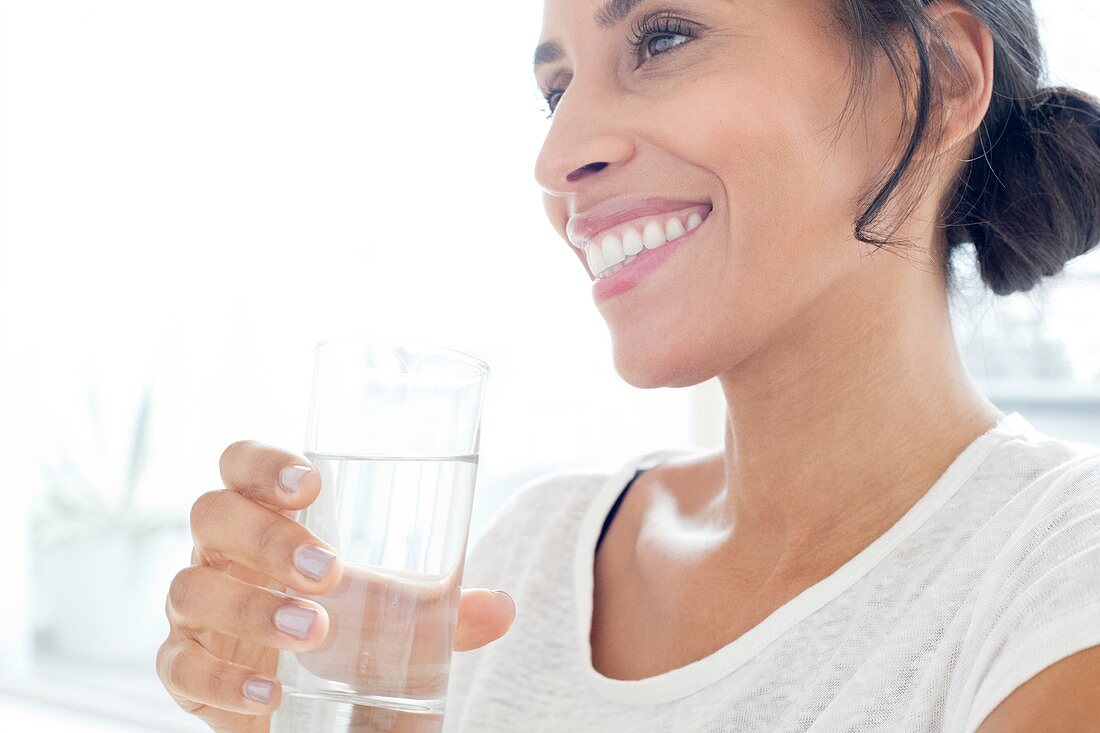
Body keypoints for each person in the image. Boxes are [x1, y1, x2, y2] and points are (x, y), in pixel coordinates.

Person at [157, 0, 1100, 730]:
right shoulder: (529, 559)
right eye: (558, 89)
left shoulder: (1059, 574)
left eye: (663, 38)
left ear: (929, 78)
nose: (558, 156)